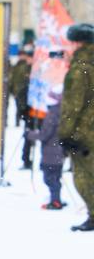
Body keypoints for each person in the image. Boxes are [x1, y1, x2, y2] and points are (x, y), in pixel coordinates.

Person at [57, 22, 94, 231]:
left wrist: (65, 134)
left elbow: (72, 107)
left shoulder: (79, 70)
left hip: (84, 133)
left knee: (83, 176)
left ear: (77, 43)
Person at [28, 92, 66, 210]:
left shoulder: (52, 114)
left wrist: (30, 134)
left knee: (49, 178)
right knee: (56, 177)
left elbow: (44, 135)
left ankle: (55, 201)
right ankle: (56, 199)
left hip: (51, 152)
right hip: (58, 151)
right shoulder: (62, 111)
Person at [10, 44, 36, 169]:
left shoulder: (39, 70)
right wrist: (22, 108)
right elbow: (20, 88)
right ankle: (26, 159)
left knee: (44, 137)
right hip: (27, 107)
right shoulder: (23, 68)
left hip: (38, 108)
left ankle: (46, 162)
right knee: (28, 136)